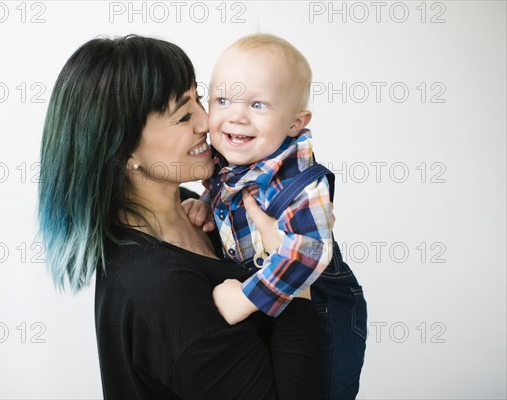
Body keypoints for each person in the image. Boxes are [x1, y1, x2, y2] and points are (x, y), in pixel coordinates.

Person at [37, 35, 322, 399]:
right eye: (184, 115)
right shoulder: (160, 291)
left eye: (199, 99)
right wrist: (295, 267)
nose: (208, 121)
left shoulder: (201, 205)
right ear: (123, 150)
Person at [185, 33, 368, 399]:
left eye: (258, 105)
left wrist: (247, 299)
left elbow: (308, 252)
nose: (236, 115)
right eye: (222, 100)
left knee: (323, 387)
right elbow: (230, 188)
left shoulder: (302, 183)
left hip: (321, 306)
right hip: (267, 294)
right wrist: (207, 201)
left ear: (294, 123)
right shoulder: (230, 162)